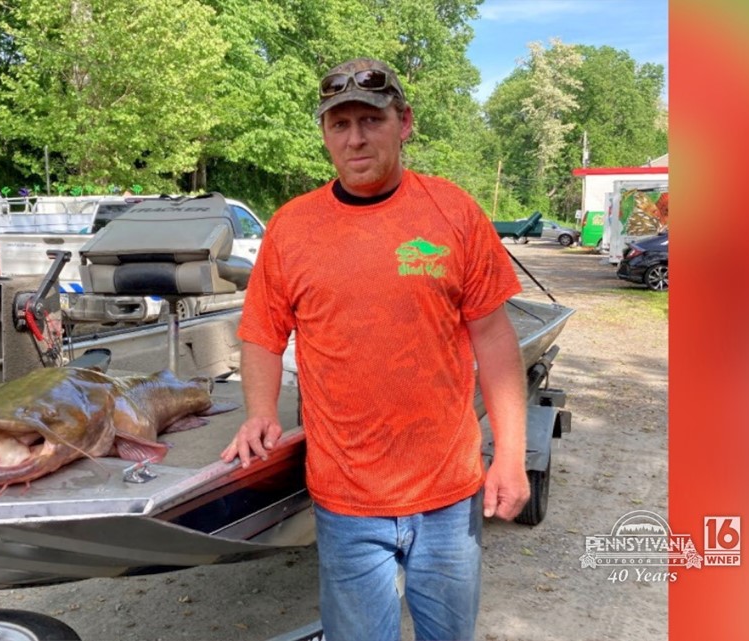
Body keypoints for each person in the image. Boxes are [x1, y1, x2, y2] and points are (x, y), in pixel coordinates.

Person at [220, 58, 530, 641]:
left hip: (448, 493)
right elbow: (262, 334)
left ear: (404, 122)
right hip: (346, 499)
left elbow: (494, 339)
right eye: (340, 125)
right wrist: (259, 413)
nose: (356, 137)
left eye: (371, 119)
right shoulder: (291, 228)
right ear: (325, 134)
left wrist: (510, 456)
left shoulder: (454, 212)